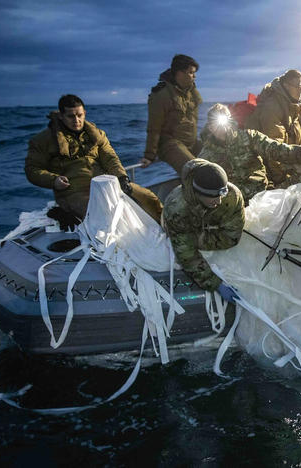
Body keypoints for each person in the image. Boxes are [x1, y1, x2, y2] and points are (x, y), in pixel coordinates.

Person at [25, 94, 163, 224]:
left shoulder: (97, 135)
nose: (76, 120)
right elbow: (32, 170)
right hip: (73, 191)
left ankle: (168, 230)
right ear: (61, 116)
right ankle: (65, 212)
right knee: (102, 215)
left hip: (105, 184)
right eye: (70, 116)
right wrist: (53, 180)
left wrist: (122, 178)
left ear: (84, 113)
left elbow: (110, 158)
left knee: (149, 198)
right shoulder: (43, 140)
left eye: (79, 115)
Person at [200, 104, 301, 201]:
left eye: (226, 122)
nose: (224, 129)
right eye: (217, 124)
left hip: (262, 195)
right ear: (210, 127)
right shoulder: (206, 155)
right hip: (233, 205)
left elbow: (276, 149)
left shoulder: (249, 137)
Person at [162, 159, 244, 300]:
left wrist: (202, 236)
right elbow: (187, 255)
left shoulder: (232, 196)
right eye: (212, 197)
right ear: (198, 193)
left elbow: (232, 237)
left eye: (221, 195)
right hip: (181, 228)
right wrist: (216, 284)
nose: (218, 201)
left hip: (203, 230)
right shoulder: (176, 209)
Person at [246, 69, 301, 186]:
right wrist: (282, 182)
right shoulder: (272, 107)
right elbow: (274, 150)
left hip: (291, 155)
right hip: (274, 166)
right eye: (297, 86)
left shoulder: (299, 102)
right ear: (286, 86)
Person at [141, 54, 202, 175]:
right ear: (179, 73)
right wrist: (149, 155)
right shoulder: (161, 94)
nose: (194, 76)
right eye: (191, 72)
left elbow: (197, 104)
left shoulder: (190, 92)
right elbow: (154, 127)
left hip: (191, 142)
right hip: (170, 144)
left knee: (219, 158)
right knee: (196, 171)